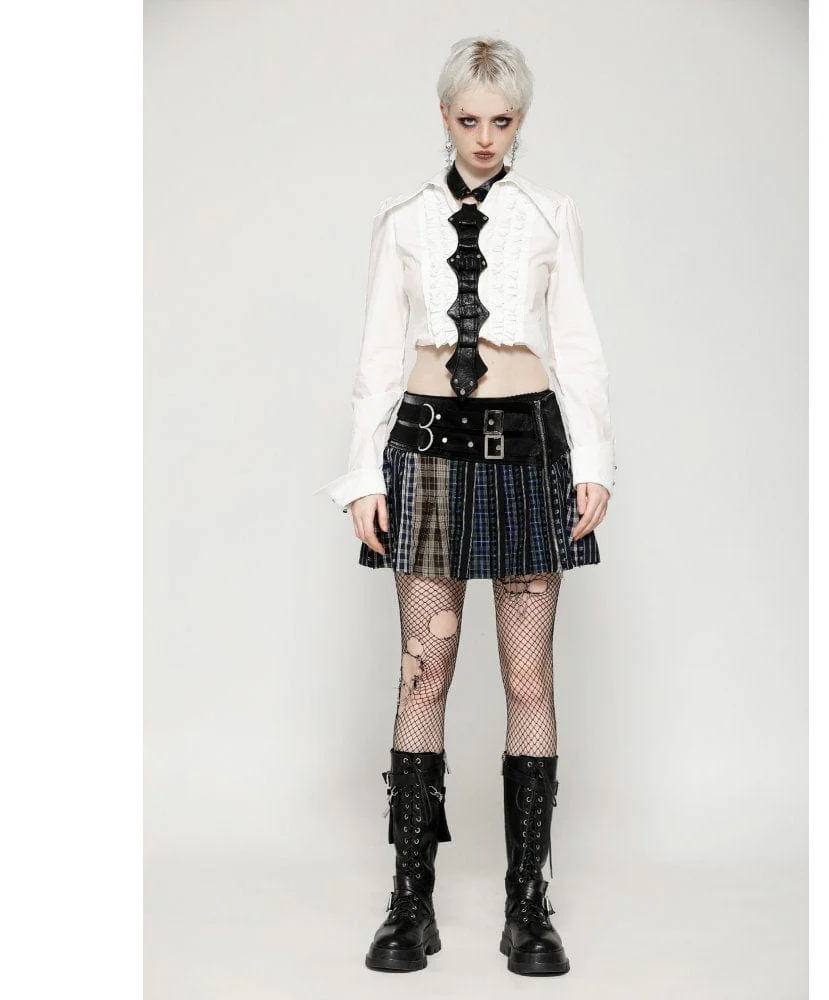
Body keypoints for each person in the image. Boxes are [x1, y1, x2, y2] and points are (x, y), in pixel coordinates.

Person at [315, 36, 616, 976]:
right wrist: (362, 477)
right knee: (423, 675)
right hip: (427, 452)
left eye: (503, 120)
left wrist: (594, 460)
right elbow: (378, 355)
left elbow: (577, 347)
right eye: (469, 119)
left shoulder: (551, 216)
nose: (486, 138)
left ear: (521, 122)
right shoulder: (403, 220)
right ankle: (411, 901)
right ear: (444, 117)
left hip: (528, 451)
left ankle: (528, 904)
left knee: (529, 682)